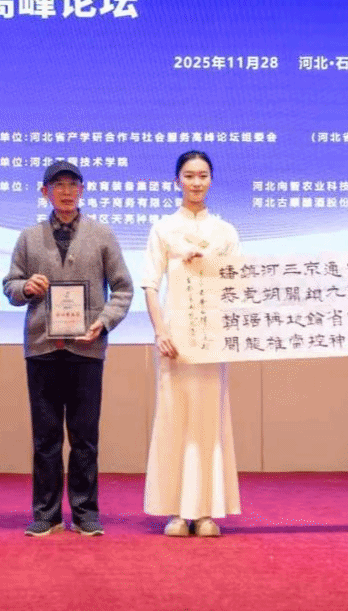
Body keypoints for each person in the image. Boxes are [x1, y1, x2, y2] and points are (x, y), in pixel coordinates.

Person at [3, 161, 134, 538]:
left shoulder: (102, 234)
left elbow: (123, 289)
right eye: (57, 185)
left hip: (86, 348)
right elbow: (10, 285)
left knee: (84, 436)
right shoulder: (29, 237)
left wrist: (103, 321)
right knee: (45, 437)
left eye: (72, 185)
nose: (65, 192)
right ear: (44, 192)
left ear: (82, 190)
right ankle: (45, 513)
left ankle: (85, 512)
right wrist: (25, 288)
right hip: (42, 348)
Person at [141, 151, 241, 538]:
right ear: (177, 180)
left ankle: (208, 511)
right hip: (176, 341)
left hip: (212, 341)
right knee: (174, 419)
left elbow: (237, 285)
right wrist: (160, 331)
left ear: (211, 180)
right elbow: (150, 284)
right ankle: (176, 512)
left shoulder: (225, 232)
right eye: (189, 175)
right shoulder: (164, 228)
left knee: (209, 421)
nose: (196, 182)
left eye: (202, 176)